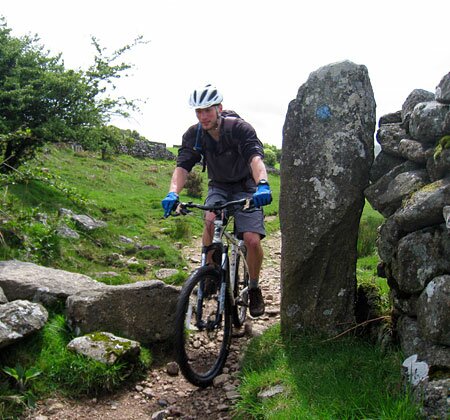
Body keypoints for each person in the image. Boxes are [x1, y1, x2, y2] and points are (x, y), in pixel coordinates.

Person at [161, 84, 272, 317]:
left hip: (247, 186)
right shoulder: (194, 135)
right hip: (219, 186)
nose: (203, 116)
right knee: (210, 220)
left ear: (219, 108)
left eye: (208, 111)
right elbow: (182, 166)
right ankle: (210, 271)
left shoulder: (239, 129)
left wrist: (262, 184)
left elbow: (254, 157)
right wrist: (173, 193)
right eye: (198, 112)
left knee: (251, 239)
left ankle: (253, 287)